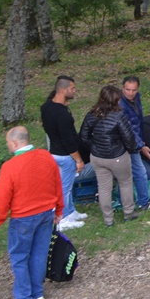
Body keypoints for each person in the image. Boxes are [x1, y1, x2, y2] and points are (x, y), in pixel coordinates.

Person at [0, 127, 65, 299]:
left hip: (23, 218)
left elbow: (2, 198)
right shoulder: (46, 156)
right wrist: (59, 208)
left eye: (8, 143)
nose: (8, 146)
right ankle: (37, 293)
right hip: (46, 213)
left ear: (15, 143)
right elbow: (57, 183)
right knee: (39, 254)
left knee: (19, 257)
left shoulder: (10, 167)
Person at [79, 85, 139, 227]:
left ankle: (108, 219)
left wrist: (94, 148)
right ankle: (128, 212)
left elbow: (83, 137)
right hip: (117, 156)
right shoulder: (119, 116)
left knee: (104, 188)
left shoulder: (91, 115)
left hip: (97, 157)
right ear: (116, 100)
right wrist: (129, 150)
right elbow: (129, 137)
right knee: (125, 183)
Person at [39, 75, 87, 231]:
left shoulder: (47, 107)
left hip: (54, 152)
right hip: (65, 156)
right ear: (63, 90)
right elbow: (68, 141)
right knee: (64, 188)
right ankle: (63, 219)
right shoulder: (62, 114)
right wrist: (78, 160)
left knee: (67, 185)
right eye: (72, 88)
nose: (74, 91)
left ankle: (70, 211)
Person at [121, 76, 150, 211]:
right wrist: (140, 146)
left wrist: (141, 141)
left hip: (135, 142)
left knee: (139, 172)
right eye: (128, 90)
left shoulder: (136, 99)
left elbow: (138, 122)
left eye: (134, 90)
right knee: (139, 173)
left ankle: (137, 202)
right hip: (128, 144)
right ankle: (143, 202)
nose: (131, 93)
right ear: (122, 88)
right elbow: (128, 128)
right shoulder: (121, 105)